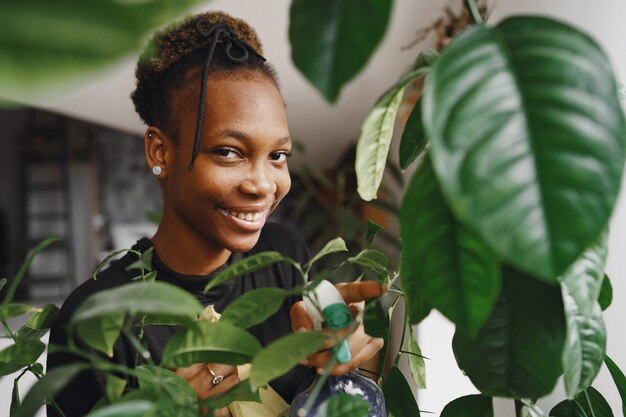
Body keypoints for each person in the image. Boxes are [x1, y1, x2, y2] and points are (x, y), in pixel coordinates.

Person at [47, 11, 385, 417]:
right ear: (161, 152)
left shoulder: (283, 256)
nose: (262, 184)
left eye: (278, 156)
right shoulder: (97, 318)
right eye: (228, 152)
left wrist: (347, 360)